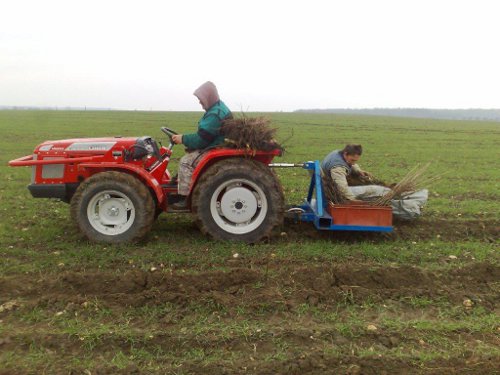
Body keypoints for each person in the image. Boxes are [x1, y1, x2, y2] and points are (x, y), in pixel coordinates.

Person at [171, 81, 232, 209]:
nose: (200, 102)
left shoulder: (216, 113)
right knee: (191, 156)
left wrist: (183, 138)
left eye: (201, 99)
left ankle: (185, 198)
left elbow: (202, 139)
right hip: (216, 143)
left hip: (216, 146)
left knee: (186, 162)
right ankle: (177, 185)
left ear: (209, 97)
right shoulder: (217, 108)